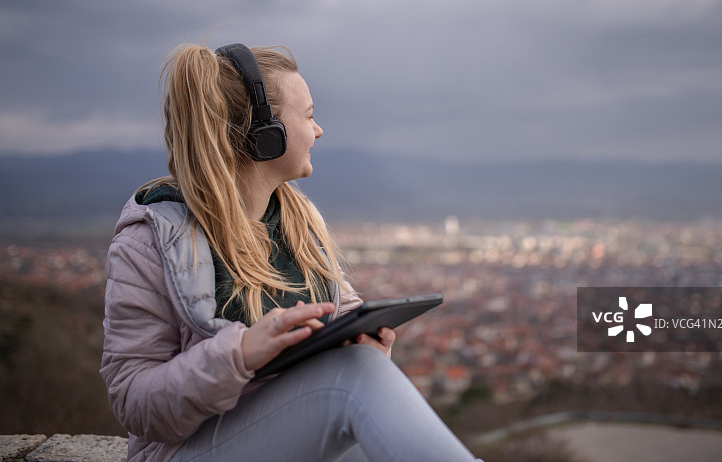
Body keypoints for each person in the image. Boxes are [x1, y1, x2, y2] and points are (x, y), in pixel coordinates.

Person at [100, 42, 482, 462]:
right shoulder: (151, 238)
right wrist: (240, 355)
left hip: (284, 434)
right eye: (310, 116)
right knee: (353, 381)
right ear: (266, 136)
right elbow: (134, 403)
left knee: (365, 398)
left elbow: (344, 311)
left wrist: (367, 343)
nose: (319, 131)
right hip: (184, 451)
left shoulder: (299, 220)